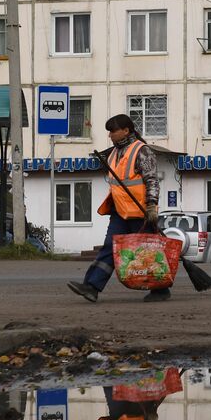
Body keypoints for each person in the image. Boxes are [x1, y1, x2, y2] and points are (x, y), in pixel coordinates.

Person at [67, 114, 170, 303]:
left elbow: (152, 181)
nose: (110, 135)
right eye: (109, 131)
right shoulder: (114, 152)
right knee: (110, 247)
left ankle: (161, 289)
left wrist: (151, 206)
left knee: (147, 252)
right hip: (119, 211)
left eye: (113, 131)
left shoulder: (142, 151)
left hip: (140, 212)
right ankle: (91, 287)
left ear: (126, 131)